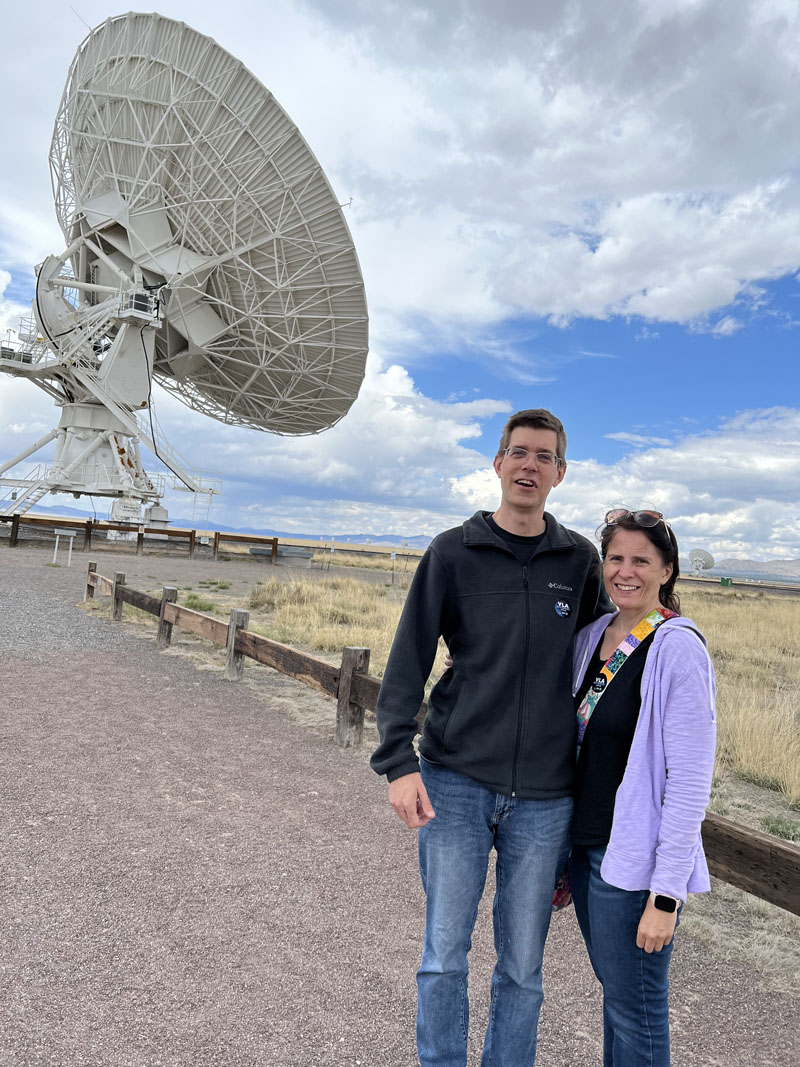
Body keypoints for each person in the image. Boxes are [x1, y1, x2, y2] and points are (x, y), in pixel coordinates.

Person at [370, 408, 612, 1067]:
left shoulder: (579, 561)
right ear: (498, 463)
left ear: (561, 474)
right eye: (520, 452)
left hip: (545, 795)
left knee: (523, 966)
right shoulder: (453, 551)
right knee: (445, 954)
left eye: (545, 456)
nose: (530, 465)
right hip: (454, 780)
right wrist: (397, 761)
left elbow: (605, 659)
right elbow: (409, 655)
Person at [568, 508, 717, 1067]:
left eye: (641, 561)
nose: (625, 572)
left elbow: (689, 783)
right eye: (615, 558)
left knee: (638, 1012)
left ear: (667, 571)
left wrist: (665, 896)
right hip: (587, 852)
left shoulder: (676, 647)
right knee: (619, 999)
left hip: (633, 864)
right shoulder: (591, 639)